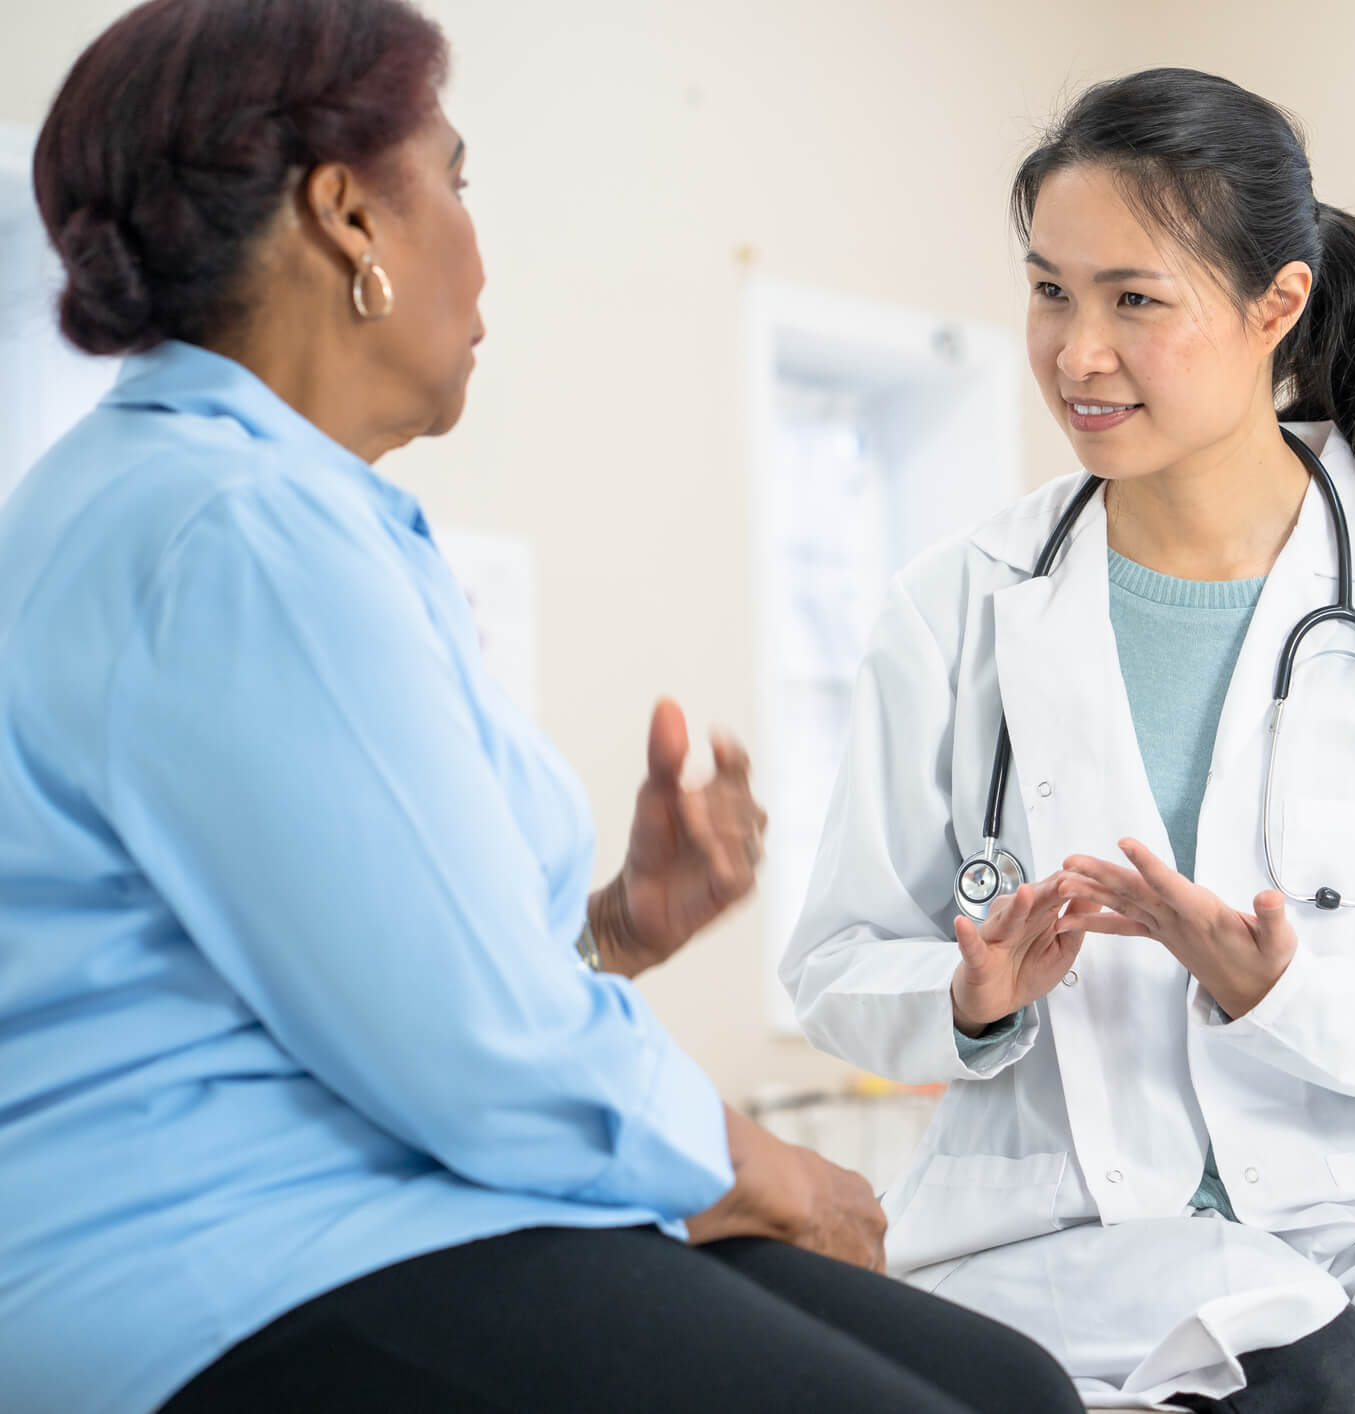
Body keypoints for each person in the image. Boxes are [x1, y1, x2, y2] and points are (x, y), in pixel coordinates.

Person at [0, 4, 1082, 1413]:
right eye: (453, 180)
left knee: (1009, 1384)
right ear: (344, 217)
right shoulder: (235, 528)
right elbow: (470, 1049)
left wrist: (615, 927)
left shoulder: (258, 506)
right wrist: (768, 1167)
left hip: (380, 1203)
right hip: (222, 1260)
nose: (474, 241)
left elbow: (373, 967)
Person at [782, 68, 1355, 1413]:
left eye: (1134, 299)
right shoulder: (954, 608)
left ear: (1273, 304)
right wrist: (971, 997)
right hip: (1057, 1248)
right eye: (1049, 289)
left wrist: (1278, 995)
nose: (1075, 352)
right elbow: (832, 960)